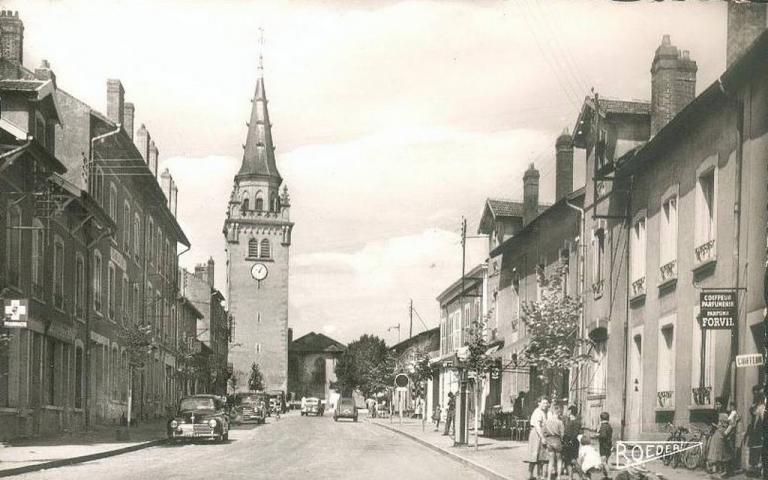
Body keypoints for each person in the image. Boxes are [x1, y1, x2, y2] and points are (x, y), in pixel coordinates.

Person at [527, 396, 550, 480]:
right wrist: (542, 437)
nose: (545, 404)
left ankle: (537, 475)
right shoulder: (538, 412)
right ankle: (531, 475)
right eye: (543, 403)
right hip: (536, 434)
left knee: (539, 455)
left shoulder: (543, 412)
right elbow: (537, 426)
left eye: (547, 403)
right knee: (535, 454)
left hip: (539, 433)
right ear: (539, 403)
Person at [746, 388, 765, 477]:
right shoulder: (754, 405)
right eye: (754, 394)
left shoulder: (763, 406)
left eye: (757, 394)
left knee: (758, 450)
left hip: (759, 430)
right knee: (753, 450)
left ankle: (758, 471)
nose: (755, 396)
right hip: (753, 429)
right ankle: (754, 469)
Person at [544, 403, 564, 480]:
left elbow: (544, 432)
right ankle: (558, 477)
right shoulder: (560, 422)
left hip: (549, 441)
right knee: (559, 459)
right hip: (557, 440)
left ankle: (549, 477)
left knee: (551, 460)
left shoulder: (547, 421)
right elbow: (562, 434)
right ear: (559, 413)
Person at [562, 405, 582, 480]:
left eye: (567, 411)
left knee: (573, 460)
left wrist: (570, 441)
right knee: (567, 461)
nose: (566, 412)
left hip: (572, 443)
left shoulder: (576, 422)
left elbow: (575, 433)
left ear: (570, 412)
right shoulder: (570, 421)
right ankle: (570, 477)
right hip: (567, 442)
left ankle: (582, 476)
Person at [597, 412, 612, 479]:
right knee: (606, 461)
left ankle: (609, 476)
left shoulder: (603, 426)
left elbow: (603, 436)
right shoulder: (609, 426)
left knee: (603, 462)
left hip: (603, 445)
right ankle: (606, 476)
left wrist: (597, 435)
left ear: (601, 418)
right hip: (608, 445)